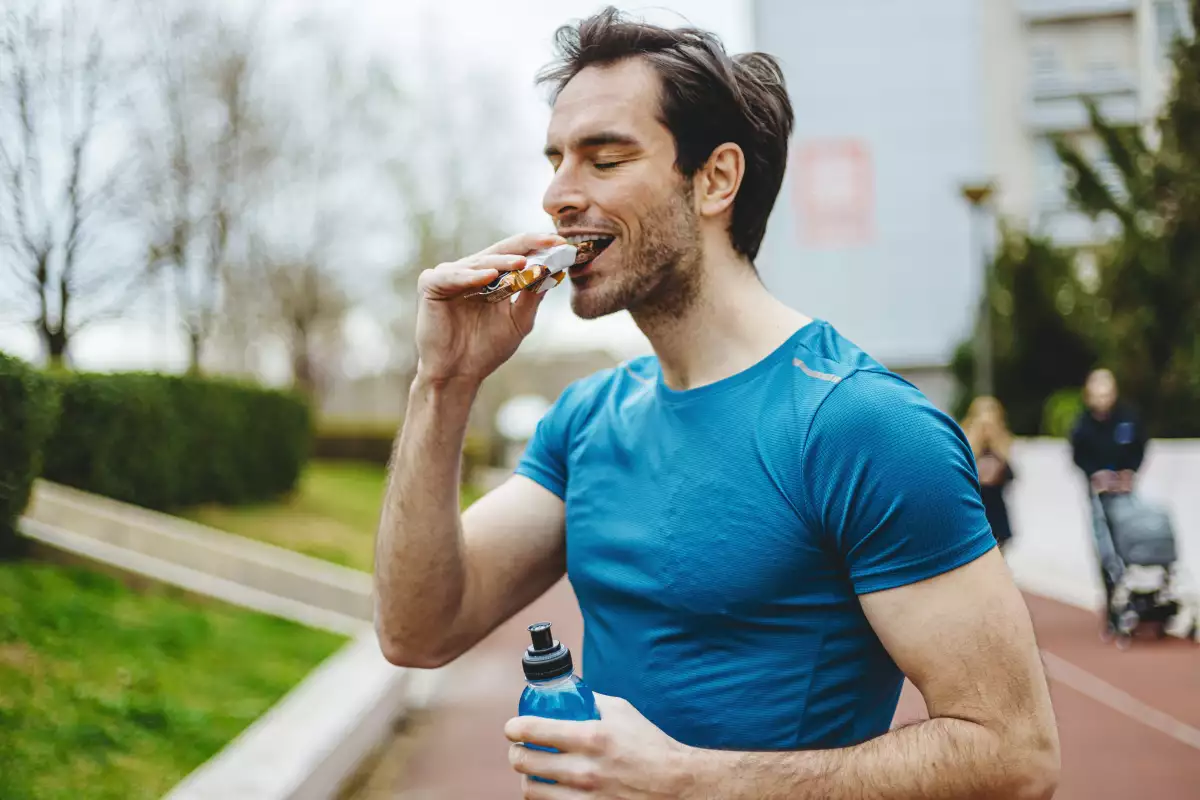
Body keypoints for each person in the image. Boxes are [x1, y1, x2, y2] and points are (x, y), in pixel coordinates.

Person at [373, 8, 1059, 798]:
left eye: (604, 159)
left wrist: (682, 778)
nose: (557, 195)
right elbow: (417, 631)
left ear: (716, 179)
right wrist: (443, 383)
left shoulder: (862, 426)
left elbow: (1015, 756)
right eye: (556, 161)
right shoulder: (585, 419)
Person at [1069, 368, 1148, 628]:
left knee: (1131, 542)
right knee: (1105, 549)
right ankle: (1111, 599)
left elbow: (1140, 446)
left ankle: (1132, 600)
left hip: (1125, 493)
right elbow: (1078, 455)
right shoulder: (1083, 424)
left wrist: (1129, 472)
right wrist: (1095, 475)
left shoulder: (1128, 417)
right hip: (1099, 496)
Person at [961, 396, 1016, 553]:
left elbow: (1011, 477)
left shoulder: (1002, 445)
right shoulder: (965, 445)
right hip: (974, 514)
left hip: (996, 512)